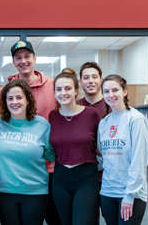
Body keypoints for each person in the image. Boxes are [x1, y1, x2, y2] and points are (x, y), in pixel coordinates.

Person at [0, 40, 60, 225]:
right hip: (11, 177)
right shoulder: (6, 90)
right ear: (13, 62)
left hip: (47, 173)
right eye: (18, 58)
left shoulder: (53, 86)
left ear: (35, 58)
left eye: (27, 56)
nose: (23, 61)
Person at [0, 79, 55, 225]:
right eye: (10, 98)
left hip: (35, 192)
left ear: (28, 100)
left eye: (19, 97)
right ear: (5, 102)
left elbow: (51, 155)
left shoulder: (42, 125)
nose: (15, 102)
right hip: (5, 192)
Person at [49, 69, 100, 225]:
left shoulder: (92, 114)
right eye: (58, 89)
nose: (63, 92)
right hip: (60, 178)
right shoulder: (53, 116)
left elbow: (102, 147)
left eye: (68, 88)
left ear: (76, 91)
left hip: (86, 177)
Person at [98, 75, 148, 225]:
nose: (111, 95)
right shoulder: (104, 122)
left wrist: (129, 195)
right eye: (106, 91)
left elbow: (139, 159)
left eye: (115, 90)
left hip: (131, 194)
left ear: (125, 91)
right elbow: (103, 157)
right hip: (107, 192)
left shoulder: (135, 119)